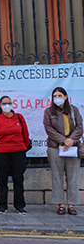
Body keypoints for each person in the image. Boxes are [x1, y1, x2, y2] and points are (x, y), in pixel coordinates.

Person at [44, 87, 81, 215]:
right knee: (57, 177)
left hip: (72, 147)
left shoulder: (73, 110)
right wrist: (63, 140)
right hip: (55, 147)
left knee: (73, 177)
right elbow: (48, 128)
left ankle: (72, 204)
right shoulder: (49, 112)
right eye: (55, 96)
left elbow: (80, 127)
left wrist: (70, 140)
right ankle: (60, 204)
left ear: (65, 97)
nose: (57, 98)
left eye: (60, 95)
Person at [0, 95, 30, 214]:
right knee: (2, 180)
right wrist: (1, 146)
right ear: (0, 105)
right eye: (4, 103)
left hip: (18, 152)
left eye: (9, 103)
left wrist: (21, 147)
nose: (7, 105)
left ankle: (20, 206)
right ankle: (2, 206)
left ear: (12, 104)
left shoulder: (19, 117)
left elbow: (25, 135)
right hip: (1, 153)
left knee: (18, 179)